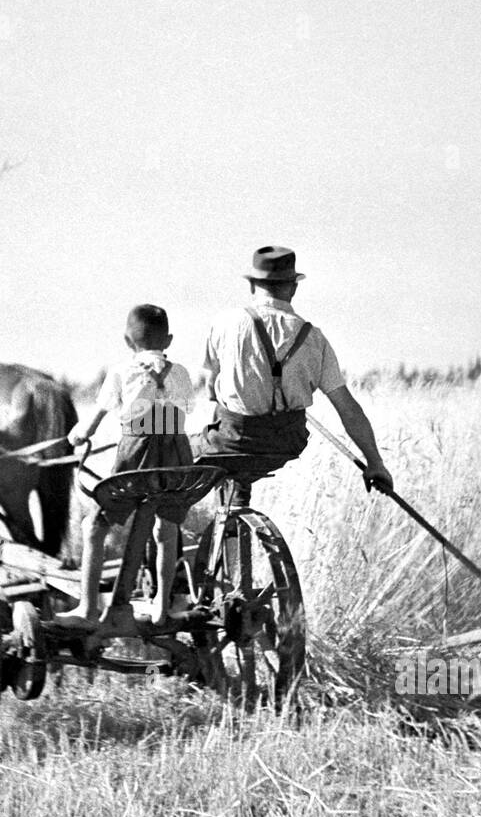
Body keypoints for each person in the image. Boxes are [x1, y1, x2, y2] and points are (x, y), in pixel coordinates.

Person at [199, 245, 393, 501]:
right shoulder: (314, 338)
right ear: (293, 287)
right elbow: (348, 408)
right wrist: (375, 462)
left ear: (252, 286)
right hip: (287, 442)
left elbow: (211, 390)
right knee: (240, 467)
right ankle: (237, 511)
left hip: (233, 440)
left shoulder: (225, 323)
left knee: (180, 458)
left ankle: (168, 534)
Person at [60, 304, 196, 628]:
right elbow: (185, 410)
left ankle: (88, 608)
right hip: (175, 460)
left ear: (127, 340)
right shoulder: (181, 373)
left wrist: (78, 436)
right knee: (166, 528)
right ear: (170, 340)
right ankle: (162, 605)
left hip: (137, 459)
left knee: (93, 526)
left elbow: (92, 423)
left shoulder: (121, 373)